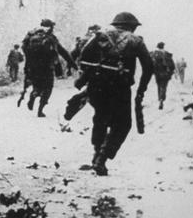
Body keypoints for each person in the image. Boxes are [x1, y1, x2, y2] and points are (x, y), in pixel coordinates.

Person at [77, 12, 153, 176]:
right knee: (123, 124)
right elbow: (148, 66)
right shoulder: (135, 40)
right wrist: (141, 91)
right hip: (120, 86)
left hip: (97, 85)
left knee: (101, 118)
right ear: (131, 26)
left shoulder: (100, 35)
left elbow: (82, 55)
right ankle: (102, 158)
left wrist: (87, 75)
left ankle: (97, 153)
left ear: (115, 24)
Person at [19, 18, 77, 117]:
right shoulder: (51, 38)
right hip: (47, 67)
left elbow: (24, 50)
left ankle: (34, 94)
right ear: (50, 27)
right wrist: (73, 64)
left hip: (33, 68)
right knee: (48, 88)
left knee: (37, 86)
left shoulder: (30, 36)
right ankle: (40, 110)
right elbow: (62, 52)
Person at [150, 42, 175, 110]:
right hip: (165, 73)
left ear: (158, 46)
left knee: (159, 86)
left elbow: (150, 63)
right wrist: (171, 72)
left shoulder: (154, 53)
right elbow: (172, 65)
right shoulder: (167, 54)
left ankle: (160, 99)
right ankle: (162, 99)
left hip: (157, 73)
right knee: (164, 86)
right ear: (163, 46)